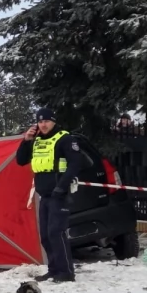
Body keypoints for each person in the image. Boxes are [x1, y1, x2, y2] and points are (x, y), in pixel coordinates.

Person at [15, 108, 89, 283]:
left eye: (47, 121)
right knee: (46, 236)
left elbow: (75, 163)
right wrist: (26, 141)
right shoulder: (37, 140)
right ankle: (54, 270)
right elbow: (20, 160)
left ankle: (66, 273)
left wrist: (61, 187)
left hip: (59, 194)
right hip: (44, 195)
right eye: (40, 122)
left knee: (57, 232)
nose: (43, 124)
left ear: (53, 121)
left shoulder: (65, 139)